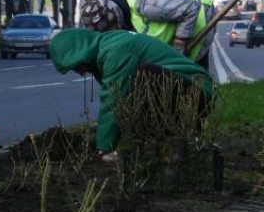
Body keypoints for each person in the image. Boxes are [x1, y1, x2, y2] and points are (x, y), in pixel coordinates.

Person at [50, 29, 214, 159]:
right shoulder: (106, 45)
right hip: (181, 92)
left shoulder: (116, 51)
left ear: (82, 52)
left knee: (144, 75)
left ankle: (181, 140)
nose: (79, 73)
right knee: (133, 94)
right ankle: (171, 141)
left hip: (196, 92)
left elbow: (113, 99)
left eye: (76, 66)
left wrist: (105, 148)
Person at [79, 0, 215, 68]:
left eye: (110, 30)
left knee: (191, 78)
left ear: (115, 17)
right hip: (179, 16)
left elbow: (190, 9)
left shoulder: (145, 2)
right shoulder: (122, 12)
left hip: (201, 13)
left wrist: (179, 48)